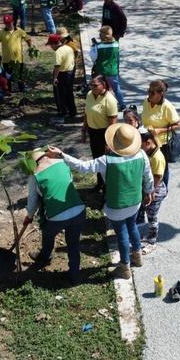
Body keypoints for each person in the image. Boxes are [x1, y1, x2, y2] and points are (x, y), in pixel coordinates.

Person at [47, 123, 154, 280]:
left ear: (114, 142)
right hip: (135, 201)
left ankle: (124, 267)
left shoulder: (106, 160)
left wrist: (62, 155)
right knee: (132, 226)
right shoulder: (141, 155)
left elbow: (83, 167)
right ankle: (137, 257)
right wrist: (149, 191)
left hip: (116, 205)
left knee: (122, 233)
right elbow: (148, 175)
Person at [24, 149, 86, 284]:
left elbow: (33, 199)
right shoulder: (62, 163)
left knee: (47, 233)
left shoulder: (35, 175)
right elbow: (68, 182)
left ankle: (45, 256)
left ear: (33, 163)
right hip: (79, 210)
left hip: (57, 216)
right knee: (73, 243)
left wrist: (29, 216)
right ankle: (75, 275)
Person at [141, 79, 180, 187]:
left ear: (160, 94)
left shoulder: (167, 106)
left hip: (161, 143)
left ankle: (163, 189)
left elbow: (177, 125)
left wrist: (160, 130)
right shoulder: (146, 102)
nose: (149, 94)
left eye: (152, 92)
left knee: (162, 168)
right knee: (148, 165)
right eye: (148, 91)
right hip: (147, 141)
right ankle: (149, 187)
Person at [82, 75, 118, 190]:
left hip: (104, 133)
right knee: (96, 159)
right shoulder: (89, 95)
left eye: (95, 85)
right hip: (93, 132)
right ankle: (100, 183)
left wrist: (108, 142)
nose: (92, 87)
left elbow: (113, 123)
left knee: (105, 161)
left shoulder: (110, 100)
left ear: (103, 84)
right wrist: (84, 130)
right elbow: (86, 113)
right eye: (91, 85)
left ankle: (108, 187)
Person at [139, 128, 167, 255]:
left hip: (156, 191)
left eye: (141, 145)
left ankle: (152, 242)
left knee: (152, 217)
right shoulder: (150, 152)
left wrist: (149, 193)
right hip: (149, 188)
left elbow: (157, 178)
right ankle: (149, 235)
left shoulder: (157, 157)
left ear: (148, 143)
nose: (139, 148)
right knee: (148, 213)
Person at [0, 14, 33, 92]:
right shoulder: (1, 32)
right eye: (6, 23)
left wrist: (30, 48)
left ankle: (22, 89)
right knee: (8, 76)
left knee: (20, 75)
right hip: (7, 59)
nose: (8, 24)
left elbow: (28, 39)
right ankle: (8, 90)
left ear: (13, 22)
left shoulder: (19, 31)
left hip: (18, 59)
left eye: (9, 22)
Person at [90, 25, 124, 110]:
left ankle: (104, 106)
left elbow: (93, 58)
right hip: (113, 70)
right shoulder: (116, 44)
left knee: (102, 89)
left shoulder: (98, 46)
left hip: (101, 70)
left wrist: (93, 48)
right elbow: (117, 57)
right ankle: (122, 104)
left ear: (102, 35)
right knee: (116, 88)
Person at [46, 33, 76, 119]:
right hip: (70, 73)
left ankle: (63, 112)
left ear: (54, 44)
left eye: (50, 45)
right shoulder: (68, 48)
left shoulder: (58, 52)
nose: (51, 47)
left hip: (62, 74)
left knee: (61, 94)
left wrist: (55, 78)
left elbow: (57, 66)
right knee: (69, 93)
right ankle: (72, 111)